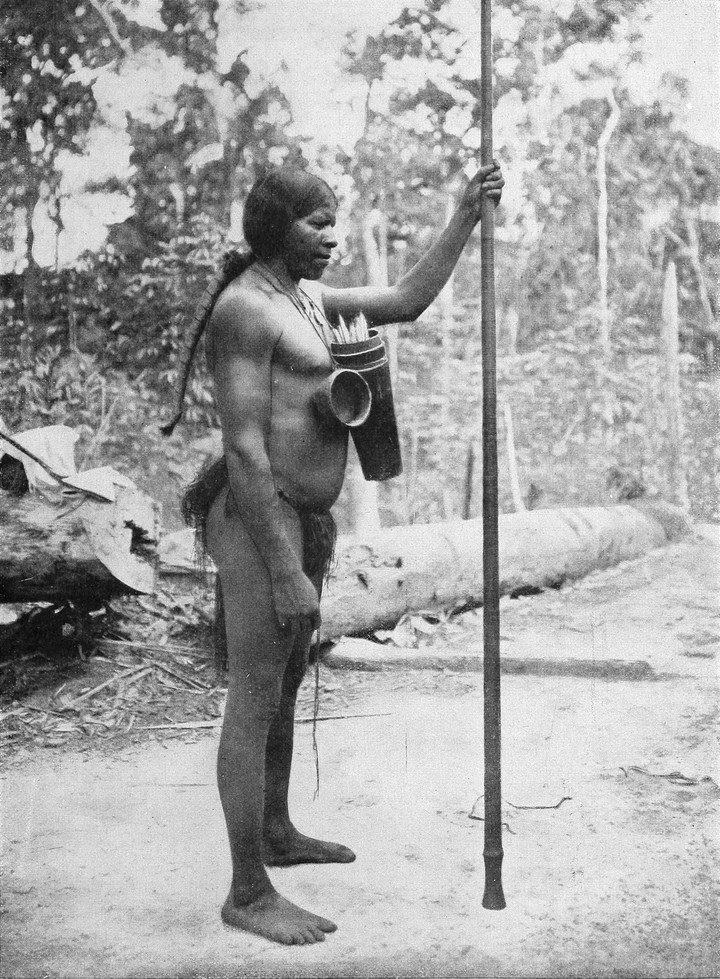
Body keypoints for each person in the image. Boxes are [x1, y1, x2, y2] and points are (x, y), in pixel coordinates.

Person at [165, 160, 504, 946]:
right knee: (254, 694)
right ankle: (248, 891)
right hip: (260, 519)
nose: (331, 236)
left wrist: (464, 213)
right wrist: (284, 567)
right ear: (273, 226)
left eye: (333, 222)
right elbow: (245, 451)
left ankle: (276, 829)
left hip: (302, 520)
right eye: (316, 222)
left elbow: (407, 301)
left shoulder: (307, 299)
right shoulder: (246, 310)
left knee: (285, 680)